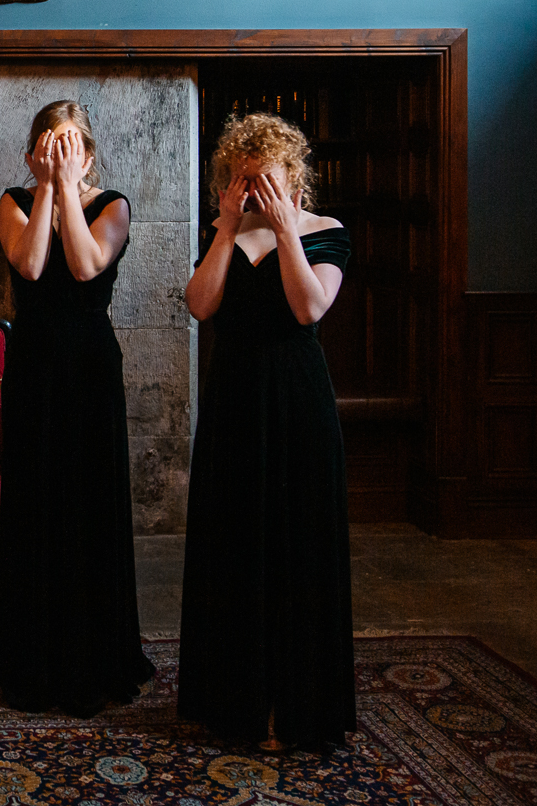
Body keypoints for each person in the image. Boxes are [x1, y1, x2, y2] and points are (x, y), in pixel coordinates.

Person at [179, 112, 353, 750]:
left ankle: (296, 707)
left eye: (264, 180)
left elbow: (309, 306)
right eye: (241, 180)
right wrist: (227, 230)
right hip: (233, 404)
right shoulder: (224, 229)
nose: (253, 191)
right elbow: (201, 305)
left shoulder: (325, 232)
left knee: (294, 551)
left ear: (293, 182)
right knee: (233, 546)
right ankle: (234, 703)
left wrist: (285, 232)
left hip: (297, 407)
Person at [0, 101, 156, 715]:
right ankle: (32, 661)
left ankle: (98, 655)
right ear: (34, 151)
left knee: (88, 500)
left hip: (89, 363)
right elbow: (31, 264)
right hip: (34, 360)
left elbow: (87, 265)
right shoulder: (13, 200)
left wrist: (67, 189)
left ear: (89, 153)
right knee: (39, 500)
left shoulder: (112, 203)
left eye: (69, 145)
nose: (58, 153)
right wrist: (46, 189)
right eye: (47, 143)